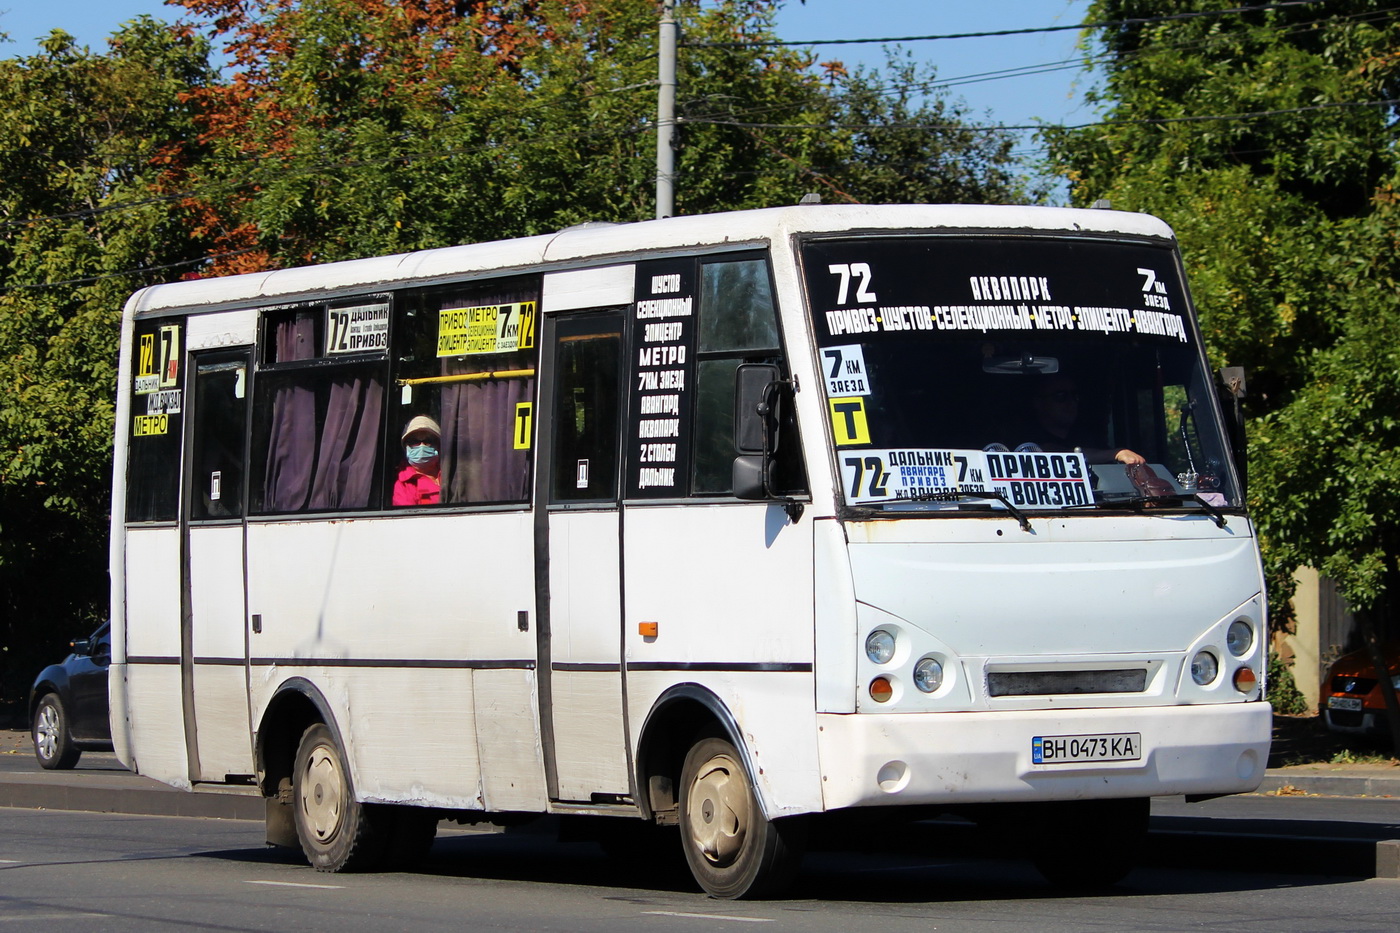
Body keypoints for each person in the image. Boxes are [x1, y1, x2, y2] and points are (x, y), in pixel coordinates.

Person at [1026, 375, 1145, 465]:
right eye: (1061, 396)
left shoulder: (1090, 439)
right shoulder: (1027, 438)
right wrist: (1117, 453)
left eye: (1075, 396)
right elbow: (1051, 454)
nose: (1071, 403)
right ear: (1038, 403)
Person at [393, 415, 441, 506]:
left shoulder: (452, 474)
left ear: (438, 445)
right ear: (406, 447)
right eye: (414, 442)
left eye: (428, 441)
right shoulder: (403, 485)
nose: (422, 446)